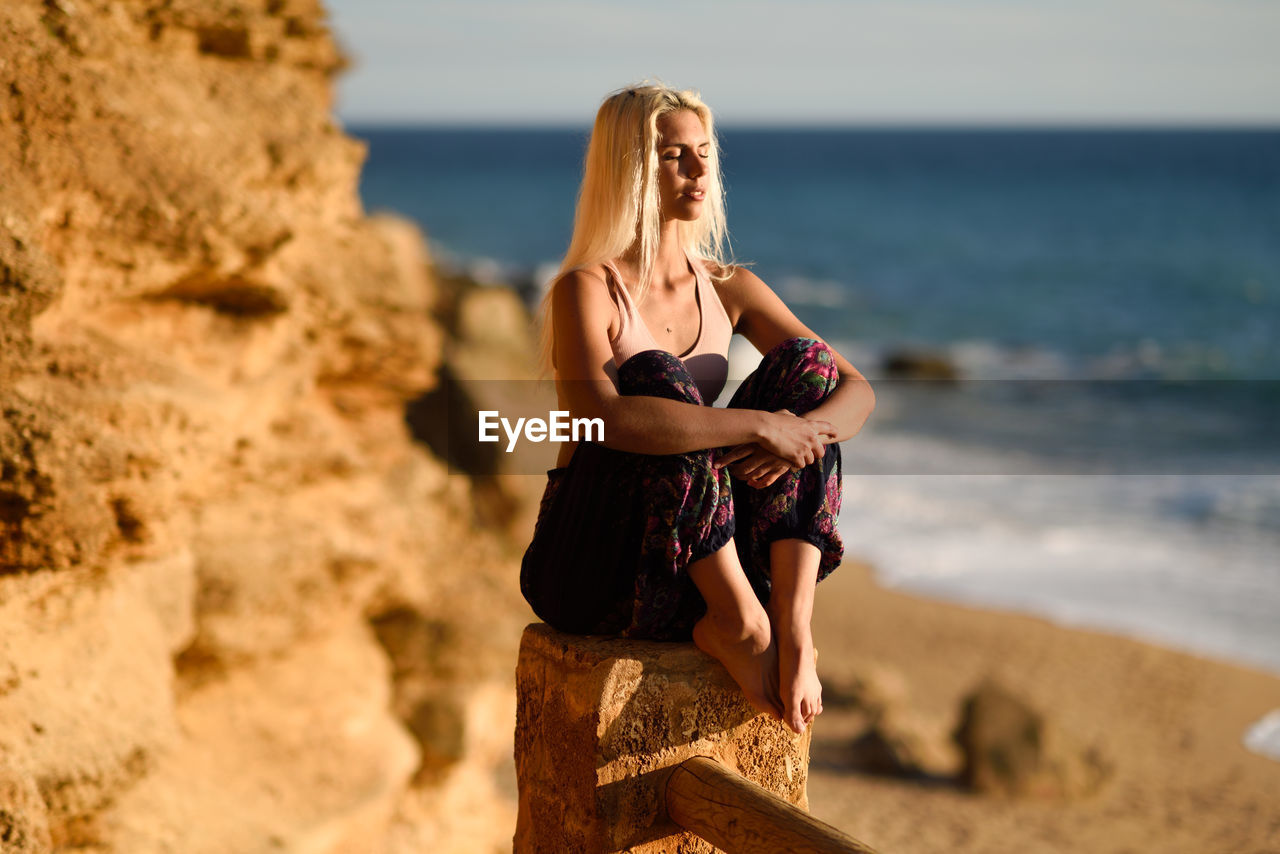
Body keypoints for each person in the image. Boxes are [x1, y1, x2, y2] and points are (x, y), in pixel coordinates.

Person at [520, 83, 875, 735]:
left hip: (692, 561)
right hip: (593, 568)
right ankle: (741, 625)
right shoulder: (587, 289)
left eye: (704, 152)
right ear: (629, 168)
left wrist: (800, 431)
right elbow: (606, 419)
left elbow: (852, 387)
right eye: (672, 154)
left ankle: (790, 629)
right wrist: (755, 426)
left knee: (808, 368)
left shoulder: (727, 285)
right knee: (655, 376)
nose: (698, 168)